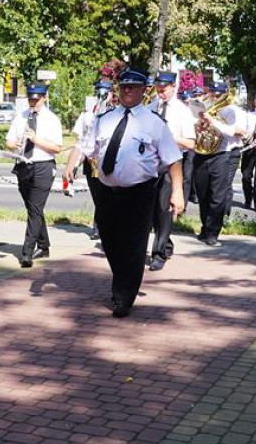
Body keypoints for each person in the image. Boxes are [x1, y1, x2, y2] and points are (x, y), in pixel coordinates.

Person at [72, 67, 184, 317]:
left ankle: (124, 297)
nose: (128, 91)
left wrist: (177, 192)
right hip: (107, 191)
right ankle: (122, 281)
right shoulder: (104, 119)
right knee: (111, 242)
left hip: (140, 193)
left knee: (134, 246)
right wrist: (72, 163)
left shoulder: (154, 123)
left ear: (145, 91)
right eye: (123, 87)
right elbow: (84, 146)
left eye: (133, 87)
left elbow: (173, 160)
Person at [5, 83, 63, 267]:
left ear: (44, 98)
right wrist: (12, 144)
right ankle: (44, 245)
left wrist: (35, 139)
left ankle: (27, 253)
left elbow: (57, 148)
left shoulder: (51, 119)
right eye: (31, 99)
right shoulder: (21, 117)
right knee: (33, 208)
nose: (33, 102)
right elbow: (9, 140)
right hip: (23, 164)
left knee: (35, 208)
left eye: (37, 99)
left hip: (43, 166)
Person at [146, 71, 195, 271]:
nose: (160, 93)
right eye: (158, 90)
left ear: (173, 87)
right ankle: (166, 243)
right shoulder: (151, 107)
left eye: (164, 90)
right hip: (150, 164)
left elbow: (191, 143)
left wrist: (169, 137)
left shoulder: (182, 112)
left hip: (171, 165)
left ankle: (158, 254)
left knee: (164, 209)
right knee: (151, 211)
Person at [191, 80, 245, 246]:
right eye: (212, 93)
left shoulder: (232, 110)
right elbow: (197, 127)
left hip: (221, 155)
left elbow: (231, 133)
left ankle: (213, 232)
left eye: (217, 94)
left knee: (218, 196)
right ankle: (205, 228)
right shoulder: (206, 106)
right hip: (202, 153)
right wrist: (199, 126)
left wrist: (213, 121)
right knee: (203, 193)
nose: (214, 97)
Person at [69, 79, 116, 240]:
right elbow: (80, 140)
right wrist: (75, 164)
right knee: (97, 196)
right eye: (100, 93)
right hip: (91, 162)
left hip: (107, 161)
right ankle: (99, 225)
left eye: (106, 93)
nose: (103, 96)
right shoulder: (87, 115)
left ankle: (105, 225)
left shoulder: (115, 113)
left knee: (108, 195)